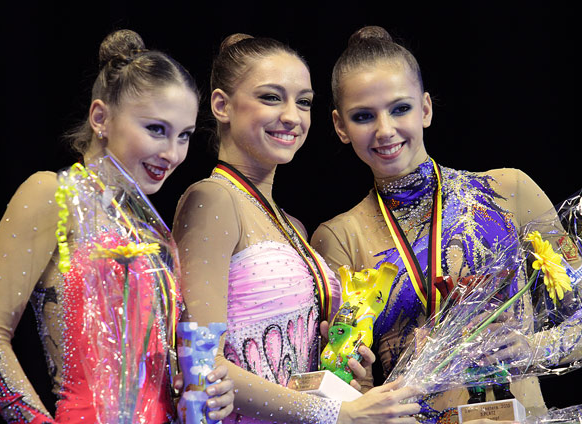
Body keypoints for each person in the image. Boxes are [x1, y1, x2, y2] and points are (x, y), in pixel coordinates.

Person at [311, 26, 564, 422]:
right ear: (341, 126)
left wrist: (533, 348)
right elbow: (347, 387)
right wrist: (357, 386)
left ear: (425, 108)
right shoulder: (339, 237)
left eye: (400, 108)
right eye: (363, 116)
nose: (385, 130)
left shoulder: (509, 190)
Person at [0, 29, 233, 423]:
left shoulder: (153, 232)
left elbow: (159, 369)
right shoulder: (53, 194)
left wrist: (204, 390)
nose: (172, 153)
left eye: (184, 135)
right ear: (100, 117)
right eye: (156, 129)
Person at [172, 32, 421, 424]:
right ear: (221, 105)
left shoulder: (294, 226)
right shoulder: (212, 199)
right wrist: (340, 413)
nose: (292, 116)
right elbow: (203, 365)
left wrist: (344, 371)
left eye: (303, 102)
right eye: (271, 97)